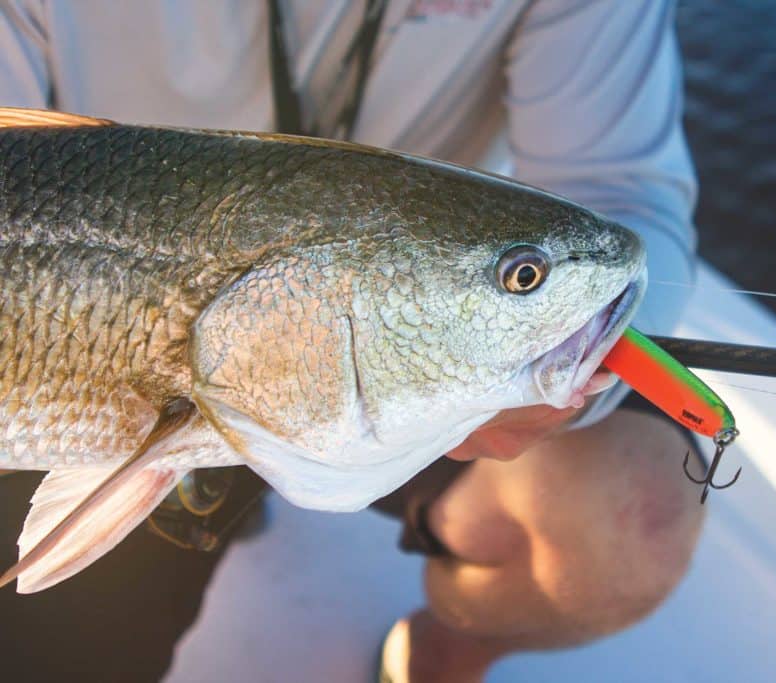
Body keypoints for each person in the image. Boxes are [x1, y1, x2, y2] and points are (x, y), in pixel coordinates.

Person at [0, 1, 706, 681]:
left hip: (379, 384)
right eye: (523, 277)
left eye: (522, 277)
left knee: (636, 513)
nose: (530, 282)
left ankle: (440, 656)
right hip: (176, 346)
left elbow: (622, 200)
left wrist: (566, 382)